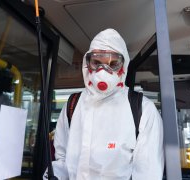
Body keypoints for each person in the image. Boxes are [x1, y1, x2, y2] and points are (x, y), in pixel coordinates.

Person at [45, 28, 164, 179]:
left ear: (124, 65)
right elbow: (63, 160)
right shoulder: (73, 104)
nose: (103, 71)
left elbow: (148, 173)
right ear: (87, 64)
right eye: (96, 62)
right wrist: (55, 174)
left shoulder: (143, 110)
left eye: (113, 63)